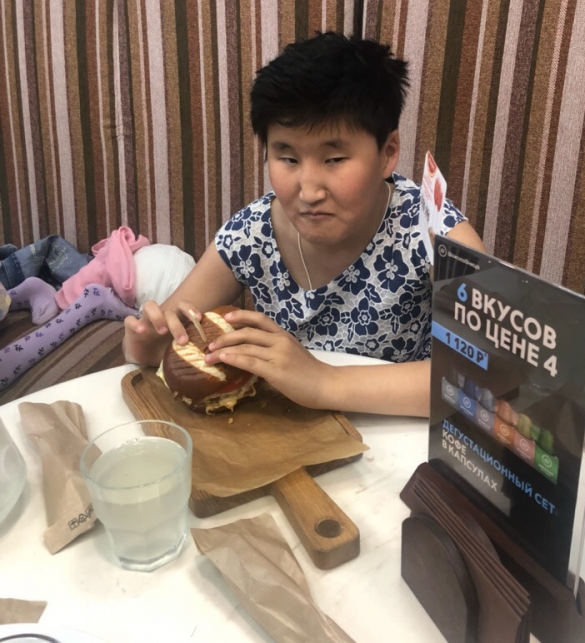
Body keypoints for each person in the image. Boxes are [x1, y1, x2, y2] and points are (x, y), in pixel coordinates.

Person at [123, 32, 485, 415]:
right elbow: (170, 335)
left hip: (400, 436)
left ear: (387, 153)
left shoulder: (431, 230)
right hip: (283, 434)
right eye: (288, 158)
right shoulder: (251, 234)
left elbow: (488, 376)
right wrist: (144, 345)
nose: (309, 191)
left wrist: (324, 382)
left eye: (334, 159)